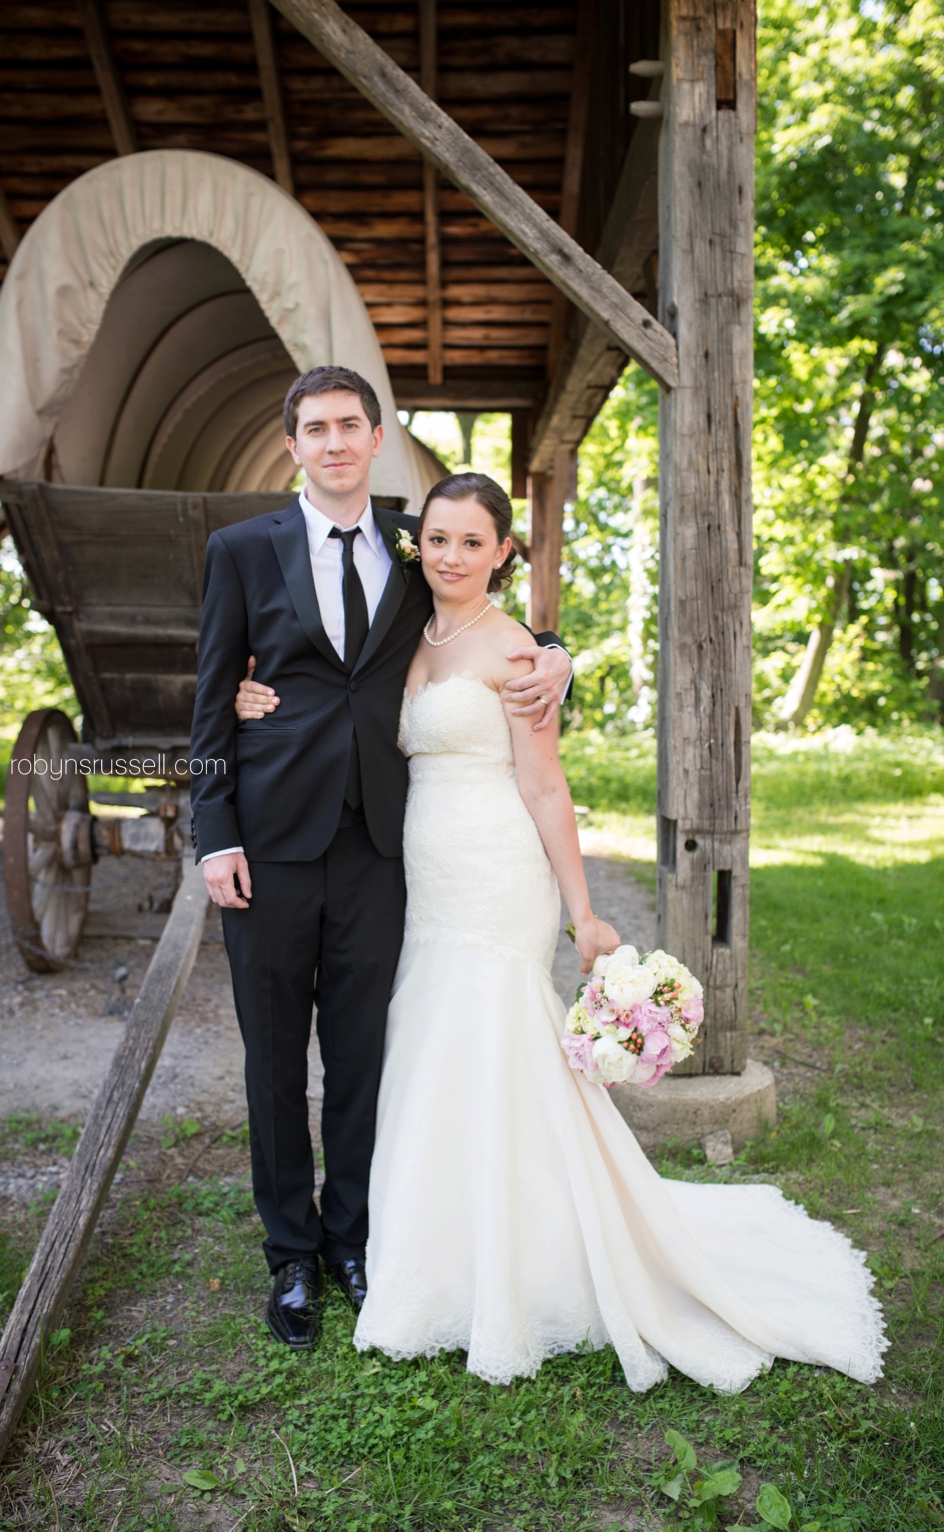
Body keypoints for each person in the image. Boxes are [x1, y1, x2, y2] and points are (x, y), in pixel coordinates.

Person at [247, 474, 887, 1391]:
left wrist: (583, 911)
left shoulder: (514, 652)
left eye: (473, 541)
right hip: (417, 872)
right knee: (425, 1040)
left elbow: (545, 786)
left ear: (505, 551)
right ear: (414, 543)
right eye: (437, 539)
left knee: (494, 1032)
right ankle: (431, 1235)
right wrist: (243, 693)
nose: (452, 556)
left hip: (495, 870)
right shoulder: (408, 630)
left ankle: (519, 1254)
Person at [190, 367, 575, 1350]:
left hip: (379, 845)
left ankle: (352, 1234)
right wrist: (215, 833)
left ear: (375, 437)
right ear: (294, 445)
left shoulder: (415, 545)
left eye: (348, 425)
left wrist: (556, 648)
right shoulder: (240, 550)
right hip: (268, 845)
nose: (331, 441)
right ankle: (289, 1252)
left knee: (363, 1049)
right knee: (275, 1054)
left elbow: (472, 606)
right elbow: (208, 699)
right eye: (312, 427)